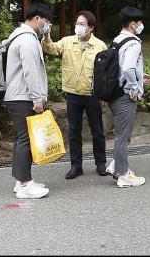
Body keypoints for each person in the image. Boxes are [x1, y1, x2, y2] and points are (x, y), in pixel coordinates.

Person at [42, 10, 108, 178]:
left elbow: (105, 72)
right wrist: (47, 35)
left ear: (91, 27)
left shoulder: (100, 45)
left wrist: (104, 94)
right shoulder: (67, 41)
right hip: (72, 93)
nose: (78, 26)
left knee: (97, 131)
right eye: (77, 23)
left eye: (82, 24)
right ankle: (76, 165)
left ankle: (100, 164)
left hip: (92, 94)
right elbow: (50, 48)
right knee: (74, 131)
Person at [4, 3, 51, 199]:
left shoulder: (20, 36)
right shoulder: (27, 40)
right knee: (25, 139)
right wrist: (37, 98)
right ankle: (25, 184)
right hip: (24, 96)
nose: (47, 25)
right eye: (47, 21)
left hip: (18, 96)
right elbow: (31, 71)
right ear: (37, 18)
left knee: (21, 138)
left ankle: (20, 180)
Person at [109, 7, 148, 188]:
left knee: (121, 134)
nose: (141, 25)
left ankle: (117, 166)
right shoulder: (133, 43)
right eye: (139, 22)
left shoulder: (117, 40)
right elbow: (127, 68)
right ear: (133, 24)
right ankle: (123, 174)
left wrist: (140, 78)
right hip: (125, 95)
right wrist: (134, 88)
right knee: (123, 136)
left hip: (114, 92)